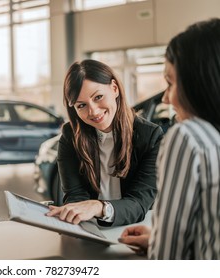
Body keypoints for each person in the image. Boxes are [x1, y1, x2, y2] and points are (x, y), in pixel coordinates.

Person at [119, 18, 220, 259]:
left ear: (200, 83)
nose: (165, 99)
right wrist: (157, 238)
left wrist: (160, 243)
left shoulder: (188, 137)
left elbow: (167, 258)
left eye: (170, 83)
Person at [46, 59, 164, 226]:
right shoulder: (70, 136)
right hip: (90, 228)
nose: (93, 111)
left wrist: (99, 207)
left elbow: (138, 203)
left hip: (137, 228)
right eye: (81, 105)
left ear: (114, 88)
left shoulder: (151, 137)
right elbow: (75, 196)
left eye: (98, 97)